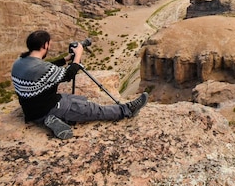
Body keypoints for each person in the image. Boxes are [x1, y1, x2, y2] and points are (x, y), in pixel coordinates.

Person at [11, 30, 148, 140]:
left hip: (31, 109)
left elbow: (45, 69)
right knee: (90, 109)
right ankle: (127, 110)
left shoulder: (19, 63)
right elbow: (68, 75)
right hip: (48, 108)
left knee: (76, 99)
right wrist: (78, 56)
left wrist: (66, 59)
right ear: (45, 45)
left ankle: (48, 119)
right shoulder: (41, 68)